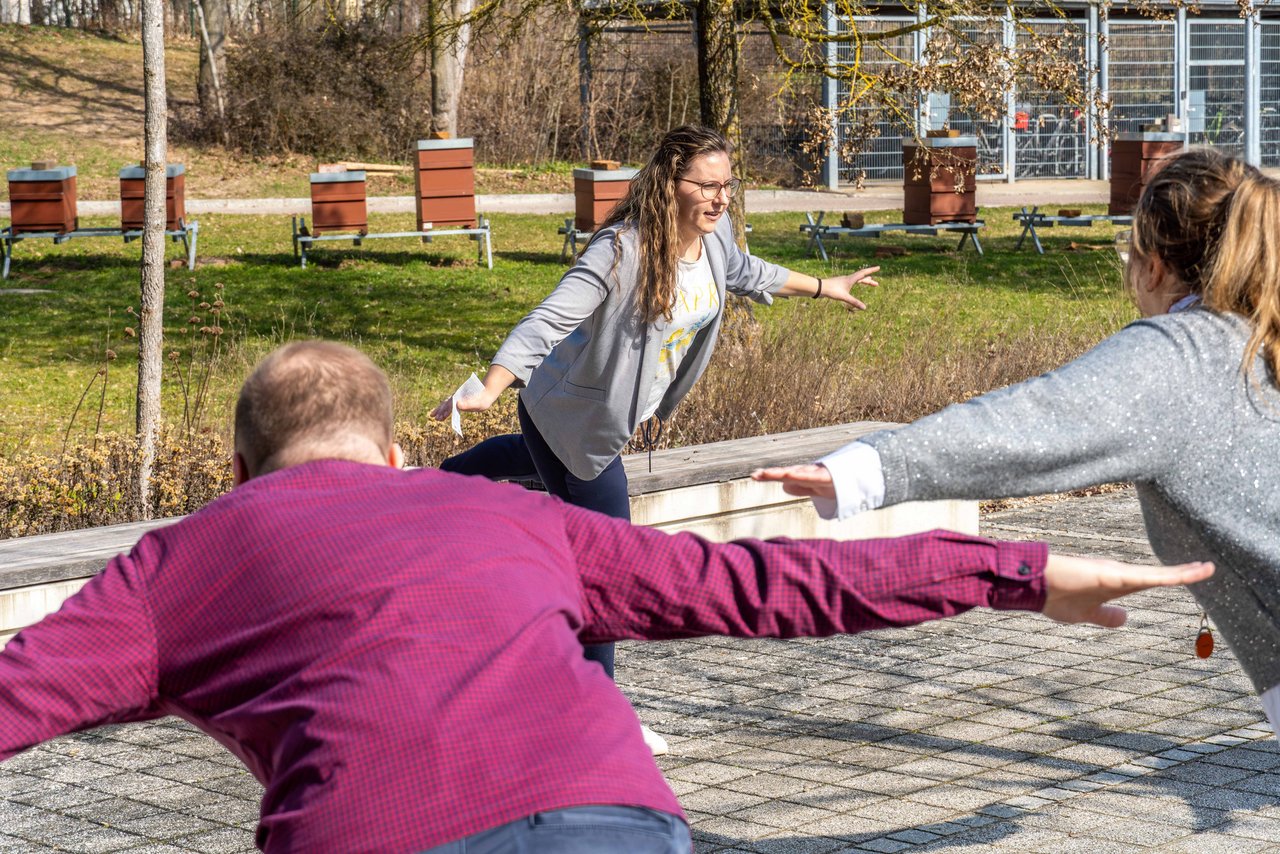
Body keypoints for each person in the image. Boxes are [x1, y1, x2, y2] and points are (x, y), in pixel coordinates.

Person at [0, 341, 1212, 854]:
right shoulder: (504, 511)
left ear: (237, 467)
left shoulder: (178, 562)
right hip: (605, 818)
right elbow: (761, 582)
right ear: (393, 450)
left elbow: (19, 692)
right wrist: (1017, 570)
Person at [754, 147, 1280, 727]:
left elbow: (1035, 421)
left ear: (1153, 266)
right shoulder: (1256, 338)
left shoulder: (1185, 357)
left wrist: (865, 469)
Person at [430, 126, 881, 751]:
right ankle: (597, 717)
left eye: (728, 185)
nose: (721, 198)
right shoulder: (621, 250)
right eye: (708, 185)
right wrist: (488, 387)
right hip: (578, 422)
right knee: (608, 567)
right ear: (671, 182)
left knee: (532, 463)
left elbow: (748, 271)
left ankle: (434, 485)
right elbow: (547, 321)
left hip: (591, 418)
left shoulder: (713, 240)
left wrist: (824, 287)